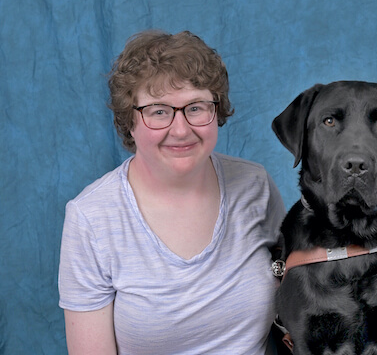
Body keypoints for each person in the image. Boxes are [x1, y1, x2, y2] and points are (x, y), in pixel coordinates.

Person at [58, 29, 286, 355]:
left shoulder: (255, 185)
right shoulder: (91, 218)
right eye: (159, 111)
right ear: (130, 121)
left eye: (196, 107)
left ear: (216, 111)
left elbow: (297, 277)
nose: (181, 130)